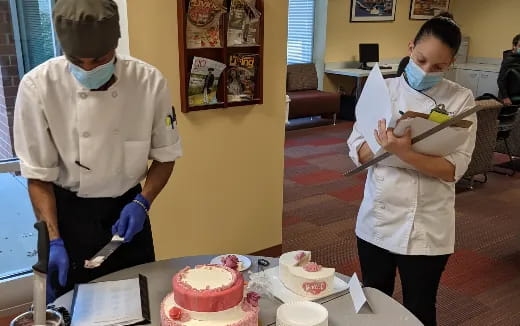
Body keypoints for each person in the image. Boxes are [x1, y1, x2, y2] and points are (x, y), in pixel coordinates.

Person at [13, 0, 182, 303]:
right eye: (78, 61)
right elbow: (38, 178)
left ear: (115, 42)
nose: (89, 68)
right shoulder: (37, 87)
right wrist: (54, 241)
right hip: (67, 217)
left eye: (100, 59)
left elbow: (166, 156)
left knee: (139, 303)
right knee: (74, 308)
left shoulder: (149, 82)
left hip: (128, 214)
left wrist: (143, 202)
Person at [347, 13, 476, 326]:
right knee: (374, 301)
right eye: (420, 60)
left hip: (427, 229)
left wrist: (403, 152)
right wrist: (384, 147)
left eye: (439, 67)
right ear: (410, 48)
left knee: (419, 307)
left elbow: (451, 169)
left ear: (451, 63)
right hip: (378, 219)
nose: (426, 71)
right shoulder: (382, 90)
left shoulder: (461, 100)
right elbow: (358, 149)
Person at [497, 34, 520, 106]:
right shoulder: (508, 60)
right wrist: (505, 97)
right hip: (509, 99)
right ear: (514, 46)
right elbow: (500, 80)